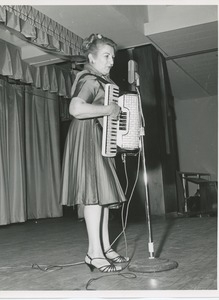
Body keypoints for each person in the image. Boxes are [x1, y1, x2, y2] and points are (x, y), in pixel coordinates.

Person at [60, 33, 129, 273]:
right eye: (106, 56)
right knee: (93, 194)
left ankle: (105, 248)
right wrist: (109, 109)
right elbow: (76, 109)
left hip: (97, 138)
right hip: (87, 137)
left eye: (113, 57)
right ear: (91, 57)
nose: (111, 61)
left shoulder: (102, 81)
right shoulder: (90, 79)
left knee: (101, 195)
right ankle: (93, 253)